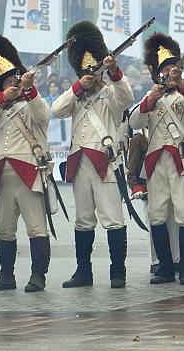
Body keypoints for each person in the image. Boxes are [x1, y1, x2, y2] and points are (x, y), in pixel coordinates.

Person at [52, 21, 134, 289]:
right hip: (80, 165)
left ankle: (117, 272)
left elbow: (126, 96)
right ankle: (83, 271)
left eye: (95, 72)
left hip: (105, 164)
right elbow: (57, 109)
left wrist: (113, 71)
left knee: (112, 219)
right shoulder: (75, 96)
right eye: (87, 73)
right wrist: (77, 87)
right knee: (83, 220)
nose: (92, 77)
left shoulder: (110, 94)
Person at [0, 34, 53, 293]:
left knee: (36, 228)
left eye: (16, 79)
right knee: (5, 230)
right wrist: (2, 98)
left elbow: (43, 115)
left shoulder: (32, 102)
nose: (14, 83)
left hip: (28, 173)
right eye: (9, 81)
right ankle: (6, 275)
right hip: (3, 175)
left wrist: (29, 90)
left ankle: (38, 275)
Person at [129, 32, 184, 285]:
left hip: (182, 161)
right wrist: (150, 99)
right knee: (157, 215)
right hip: (157, 163)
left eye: (174, 67)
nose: (170, 72)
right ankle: (165, 267)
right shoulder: (151, 98)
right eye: (166, 69)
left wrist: (182, 84)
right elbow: (134, 122)